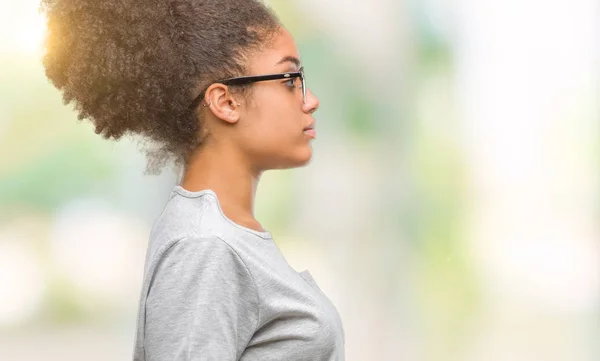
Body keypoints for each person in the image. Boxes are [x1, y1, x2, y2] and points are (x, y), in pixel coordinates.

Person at [40, 0, 345, 359]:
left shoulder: (222, 236)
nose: (311, 101)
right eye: (290, 79)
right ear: (226, 102)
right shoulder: (205, 246)